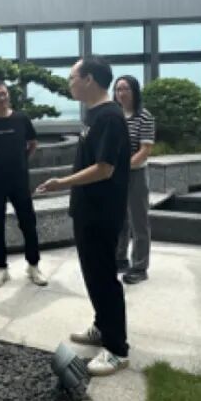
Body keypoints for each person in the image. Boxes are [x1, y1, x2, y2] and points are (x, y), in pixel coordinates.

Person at [36, 56, 131, 376]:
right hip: (88, 209)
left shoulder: (110, 117)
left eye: (72, 77)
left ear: (89, 79)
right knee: (93, 275)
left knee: (103, 277)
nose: (69, 83)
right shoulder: (93, 114)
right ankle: (102, 327)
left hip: (102, 211)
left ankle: (117, 349)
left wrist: (62, 182)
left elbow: (105, 169)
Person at [0, 79, 47, 288]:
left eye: (4, 93)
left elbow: (33, 143)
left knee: (28, 222)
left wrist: (22, 161)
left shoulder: (21, 119)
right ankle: (1, 268)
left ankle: (33, 265)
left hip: (19, 180)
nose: (2, 97)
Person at [113, 75, 155, 285]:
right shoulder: (114, 115)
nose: (121, 93)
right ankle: (120, 258)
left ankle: (140, 266)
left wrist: (123, 168)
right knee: (119, 220)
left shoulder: (144, 116)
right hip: (115, 175)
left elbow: (145, 150)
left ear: (135, 91)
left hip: (135, 174)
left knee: (139, 222)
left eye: (126, 89)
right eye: (118, 89)